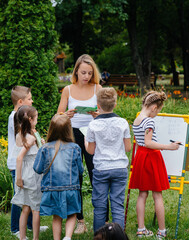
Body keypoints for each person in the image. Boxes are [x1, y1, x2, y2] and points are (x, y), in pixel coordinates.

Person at [57, 54, 103, 233]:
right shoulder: (68, 89)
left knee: (96, 176)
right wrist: (65, 114)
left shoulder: (97, 88)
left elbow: (105, 111)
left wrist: (98, 114)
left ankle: (102, 220)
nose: (86, 76)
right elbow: (59, 114)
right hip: (73, 134)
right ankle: (80, 220)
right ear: (76, 70)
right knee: (74, 178)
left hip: (92, 134)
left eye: (90, 73)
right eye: (83, 72)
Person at [129, 90, 180, 239]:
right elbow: (148, 142)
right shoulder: (149, 121)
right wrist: (168, 146)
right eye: (158, 111)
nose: (156, 114)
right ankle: (162, 231)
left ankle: (141, 229)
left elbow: (139, 143)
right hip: (151, 158)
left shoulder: (137, 118)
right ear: (153, 108)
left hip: (141, 157)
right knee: (157, 195)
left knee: (142, 194)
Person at [84, 87, 131, 232]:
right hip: (119, 168)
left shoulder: (93, 125)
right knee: (117, 204)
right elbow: (128, 147)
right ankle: (118, 236)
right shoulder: (123, 122)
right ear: (115, 104)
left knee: (100, 205)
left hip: (101, 168)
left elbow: (90, 150)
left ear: (98, 105)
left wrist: (86, 140)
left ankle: (100, 236)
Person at [33, 113, 84, 240]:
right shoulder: (75, 148)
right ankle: (67, 237)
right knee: (72, 214)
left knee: (57, 216)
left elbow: (37, 169)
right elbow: (80, 170)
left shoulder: (45, 148)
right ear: (69, 130)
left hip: (52, 189)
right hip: (71, 189)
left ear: (51, 129)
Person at [11, 105, 43, 240]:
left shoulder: (20, 135)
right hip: (31, 175)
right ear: (30, 119)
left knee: (25, 208)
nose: (37, 120)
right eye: (36, 118)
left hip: (25, 174)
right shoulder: (29, 138)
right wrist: (18, 178)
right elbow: (19, 158)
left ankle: (23, 237)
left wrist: (40, 141)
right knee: (36, 209)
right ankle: (35, 238)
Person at [7, 86, 34, 237]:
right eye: (29, 99)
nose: (32, 101)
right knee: (19, 196)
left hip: (24, 161)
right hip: (16, 162)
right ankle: (15, 228)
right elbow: (23, 137)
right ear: (20, 101)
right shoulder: (14, 117)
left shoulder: (20, 115)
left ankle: (29, 225)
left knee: (28, 193)